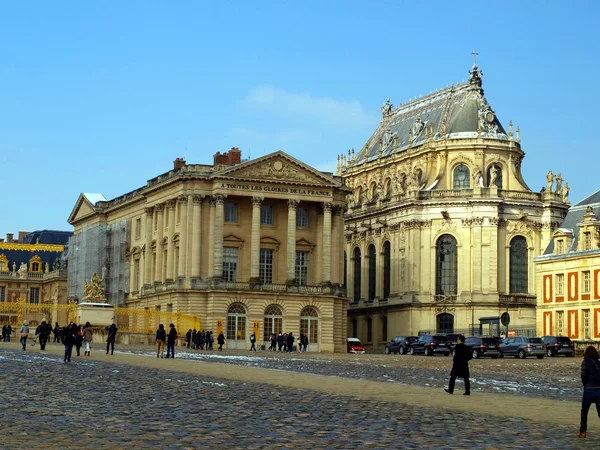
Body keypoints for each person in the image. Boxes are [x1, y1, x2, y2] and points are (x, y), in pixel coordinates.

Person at [579, 346, 600, 438]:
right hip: (599, 389)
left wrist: (585, 384)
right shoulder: (599, 363)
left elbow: (584, 375)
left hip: (588, 389)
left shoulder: (585, 362)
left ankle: (583, 432)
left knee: (584, 412)